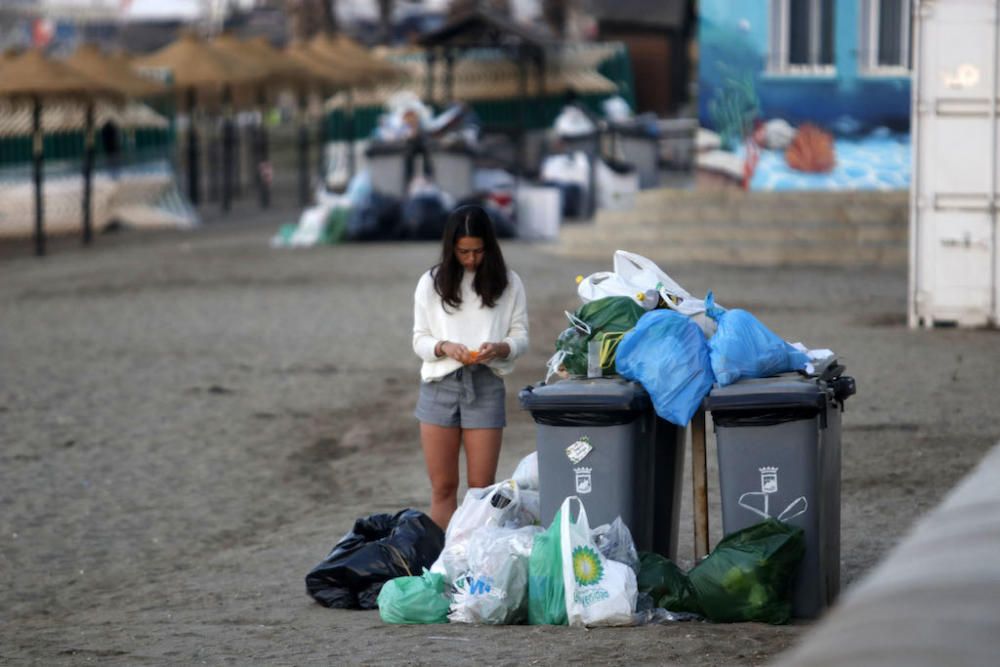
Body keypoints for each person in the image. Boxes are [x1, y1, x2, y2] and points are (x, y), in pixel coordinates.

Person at [412, 204, 529, 529]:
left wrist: (502, 347)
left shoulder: (509, 283)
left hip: (486, 383)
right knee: (443, 488)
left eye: (478, 251)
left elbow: (520, 335)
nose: (471, 258)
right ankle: (441, 564)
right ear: (452, 247)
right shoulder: (431, 283)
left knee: (481, 489)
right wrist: (444, 347)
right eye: (464, 251)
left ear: (489, 247)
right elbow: (419, 339)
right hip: (439, 385)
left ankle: (475, 564)